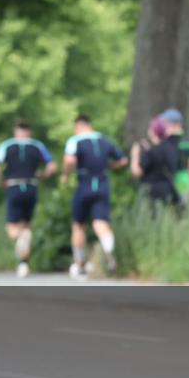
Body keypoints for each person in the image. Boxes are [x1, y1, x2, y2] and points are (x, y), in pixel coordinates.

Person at [61, 115, 128, 279]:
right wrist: (110, 165)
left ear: (77, 126)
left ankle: (79, 264)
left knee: (78, 225)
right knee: (100, 223)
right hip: (103, 184)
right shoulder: (105, 141)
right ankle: (108, 248)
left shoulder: (75, 141)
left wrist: (66, 175)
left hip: (84, 183)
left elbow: (69, 160)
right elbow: (123, 160)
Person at [0, 120, 57, 278]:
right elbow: (52, 166)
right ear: (29, 131)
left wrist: (2, 181)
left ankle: (21, 238)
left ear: (16, 131)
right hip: (31, 187)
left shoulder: (7, 145)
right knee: (26, 224)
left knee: (12, 229)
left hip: (13, 186)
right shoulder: (37, 146)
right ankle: (23, 263)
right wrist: (44, 175)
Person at [130, 117, 180, 209]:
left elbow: (137, 172)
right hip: (168, 191)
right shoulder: (170, 148)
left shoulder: (151, 153)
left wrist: (135, 155)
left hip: (152, 195)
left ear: (153, 132)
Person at [160, 108, 189, 205]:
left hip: (172, 181)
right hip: (185, 181)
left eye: (166, 124)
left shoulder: (167, 142)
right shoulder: (186, 141)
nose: (164, 127)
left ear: (176, 125)